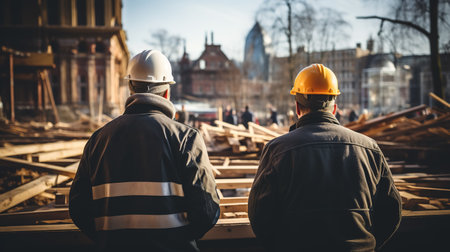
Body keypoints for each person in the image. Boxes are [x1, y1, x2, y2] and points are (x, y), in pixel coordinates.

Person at [69, 50, 220, 251]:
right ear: (167, 92)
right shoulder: (186, 138)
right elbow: (207, 211)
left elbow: (79, 209)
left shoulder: (99, 139)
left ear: (131, 89)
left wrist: (110, 239)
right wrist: (175, 241)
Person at [248, 64, 401, 251]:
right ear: (334, 108)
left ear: (297, 107)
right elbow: (391, 211)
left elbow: (260, 216)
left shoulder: (278, 150)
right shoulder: (369, 148)